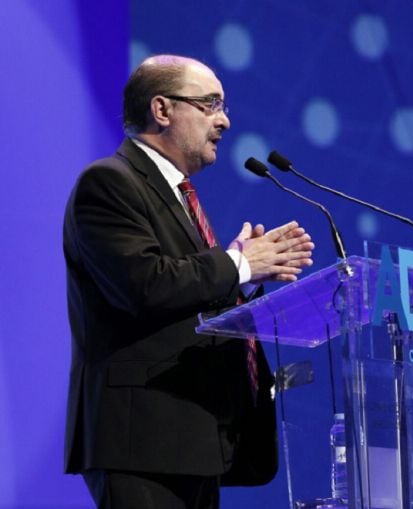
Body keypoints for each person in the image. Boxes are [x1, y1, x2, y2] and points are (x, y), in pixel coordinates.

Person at [63, 54, 314, 508]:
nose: (225, 120)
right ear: (162, 110)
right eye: (211, 104)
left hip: (195, 435)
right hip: (141, 437)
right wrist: (237, 264)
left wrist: (245, 281)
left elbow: (185, 301)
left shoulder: (176, 195)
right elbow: (145, 287)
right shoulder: (108, 184)